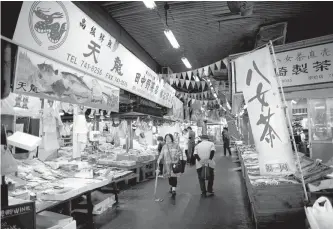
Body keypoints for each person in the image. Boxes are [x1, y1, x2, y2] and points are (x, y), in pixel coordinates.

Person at [157, 134, 187, 198]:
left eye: (169, 138)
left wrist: (177, 157)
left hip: (174, 164)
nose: (167, 139)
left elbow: (180, 153)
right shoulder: (164, 146)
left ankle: (173, 189)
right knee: (169, 177)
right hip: (167, 164)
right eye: (166, 138)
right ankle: (172, 186)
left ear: (172, 138)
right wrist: (159, 159)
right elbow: (161, 154)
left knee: (174, 176)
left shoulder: (176, 145)